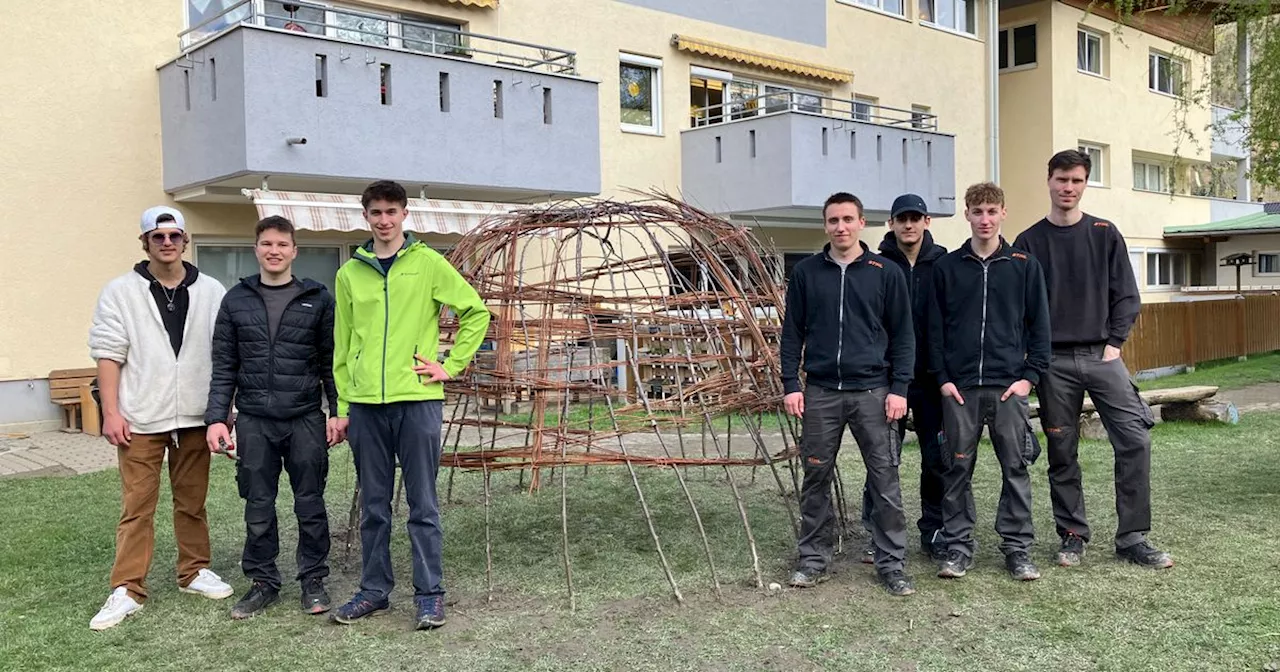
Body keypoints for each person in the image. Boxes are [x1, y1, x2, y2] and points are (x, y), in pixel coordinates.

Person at [330, 180, 492, 630]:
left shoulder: (428, 264)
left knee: (422, 504)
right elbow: (343, 347)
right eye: (376, 212)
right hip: (365, 405)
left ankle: (429, 595)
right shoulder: (349, 274)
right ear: (365, 217)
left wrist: (450, 365)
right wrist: (343, 406)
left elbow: (475, 312)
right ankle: (375, 591)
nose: (384, 220)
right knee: (374, 506)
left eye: (391, 212)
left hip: (417, 401)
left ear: (404, 215)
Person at [1013, 150, 1173, 569]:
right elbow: (1016, 307)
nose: (1068, 188)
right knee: (1062, 450)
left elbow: (1127, 295)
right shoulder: (1028, 242)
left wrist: (1115, 343)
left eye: (1077, 181)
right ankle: (1071, 535)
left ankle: (1133, 537)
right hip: (1052, 364)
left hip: (1103, 357)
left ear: (1085, 184)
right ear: (1048, 180)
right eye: (1062, 179)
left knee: (1135, 438)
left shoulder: (1104, 233)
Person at [88, 206, 232, 631]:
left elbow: (225, 356)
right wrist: (111, 413)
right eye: (158, 237)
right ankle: (128, 589)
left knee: (192, 503)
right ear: (145, 243)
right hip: (139, 419)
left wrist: (222, 415)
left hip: (195, 417)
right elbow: (108, 355)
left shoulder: (211, 291)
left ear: (185, 240)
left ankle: (194, 572)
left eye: (174, 236)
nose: (166, 243)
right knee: (137, 507)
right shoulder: (119, 292)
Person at [205, 215, 344, 620]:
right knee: (258, 504)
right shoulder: (237, 299)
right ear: (257, 249)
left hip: (304, 419)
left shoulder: (317, 299)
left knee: (310, 503)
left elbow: (330, 362)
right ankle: (263, 582)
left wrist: (337, 411)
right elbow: (224, 365)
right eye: (267, 243)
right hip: (253, 421)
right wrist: (218, 418)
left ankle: (313, 580)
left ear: (294, 251)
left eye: (282, 244)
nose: (274, 251)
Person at [781, 191, 917, 597]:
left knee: (885, 479)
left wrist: (900, 389)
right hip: (821, 392)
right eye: (833, 220)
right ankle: (813, 559)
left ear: (862, 223)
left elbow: (903, 336)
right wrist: (791, 383)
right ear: (825, 225)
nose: (840, 227)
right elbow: (792, 333)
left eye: (847, 219)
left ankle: (891, 563)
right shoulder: (807, 273)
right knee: (816, 476)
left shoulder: (885, 271)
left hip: (874, 393)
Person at [927, 182, 1051, 581]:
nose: (985, 219)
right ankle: (958, 548)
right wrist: (943, 379)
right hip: (960, 390)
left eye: (992, 211)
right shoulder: (947, 267)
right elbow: (934, 330)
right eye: (977, 211)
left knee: (1015, 468)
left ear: (1003, 213)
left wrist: (1029, 378)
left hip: (1008, 387)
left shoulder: (1023, 264)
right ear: (966, 214)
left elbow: (1040, 328)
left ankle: (1017, 549)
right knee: (957, 471)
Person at [859, 193, 948, 563]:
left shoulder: (944, 263)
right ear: (891, 223)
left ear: (927, 221)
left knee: (936, 457)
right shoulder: (877, 265)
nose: (908, 225)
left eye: (915, 218)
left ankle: (935, 531)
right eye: (901, 219)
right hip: (887, 376)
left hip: (931, 377)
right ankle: (875, 531)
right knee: (882, 460)